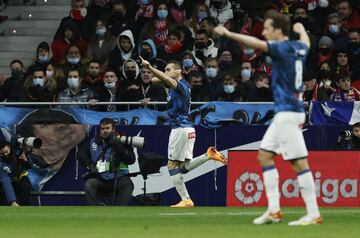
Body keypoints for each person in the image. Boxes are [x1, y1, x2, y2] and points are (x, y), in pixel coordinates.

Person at [214, 10, 322, 225]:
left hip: (288, 112)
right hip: (288, 111)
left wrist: (228, 33)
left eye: (267, 28)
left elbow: (256, 43)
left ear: (279, 31)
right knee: (264, 156)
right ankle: (274, 210)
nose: (263, 31)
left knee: (299, 163)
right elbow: (306, 42)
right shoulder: (298, 47)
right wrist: (300, 29)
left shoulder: (281, 48)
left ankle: (313, 213)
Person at [139, 56, 227, 208]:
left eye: (168, 69)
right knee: (184, 167)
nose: (165, 72)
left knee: (172, 166)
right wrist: (163, 73)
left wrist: (150, 67)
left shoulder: (179, 84)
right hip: (188, 129)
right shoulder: (178, 84)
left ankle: (186, 199)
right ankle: (208, 155)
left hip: (179, 129)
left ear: (177, 71)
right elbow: (153, 81)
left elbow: (160, 78)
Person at [78, 118, 135, 205]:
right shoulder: (94, 142)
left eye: (107, 128)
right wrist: (89, 164)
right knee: (89, 184)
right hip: (100, 178)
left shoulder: (122, 141)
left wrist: (118, 147)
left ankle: (119, 211)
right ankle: (97, 211)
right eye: (102, 128)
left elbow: (131, 160)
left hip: (119, 177)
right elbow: (81, 153)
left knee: (128, 184)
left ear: (113, 129)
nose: (105, 131)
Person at [0, 139, 33, 206]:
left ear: (9, 147)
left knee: (25, 184)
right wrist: (12, 201)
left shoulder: (17, 152)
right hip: (6, 184)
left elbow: (29, 166)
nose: (5, 154)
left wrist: (26, 159)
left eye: (6, 152)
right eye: (2, 154)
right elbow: (5, 181)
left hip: (20, 181)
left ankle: (27, 209)